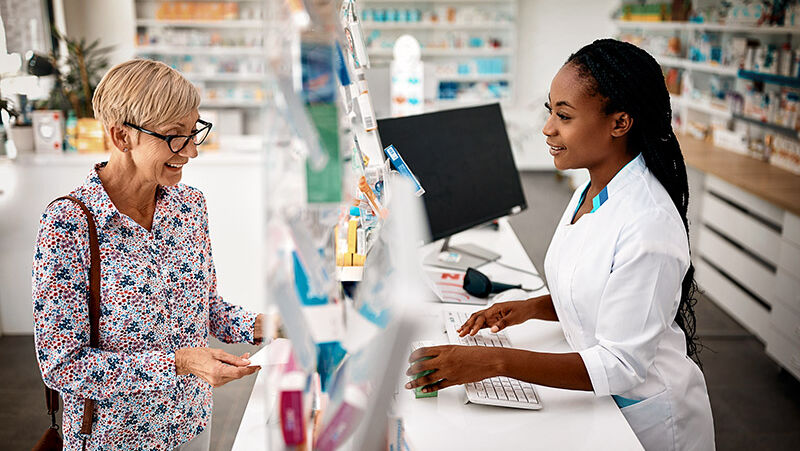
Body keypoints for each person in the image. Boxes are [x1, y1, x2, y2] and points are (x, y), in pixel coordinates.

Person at [405, 39, 715, 450]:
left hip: (647, 422)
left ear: (619, 123)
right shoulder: (595, 185)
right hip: (600, 405)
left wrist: (492, 362)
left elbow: (622, 366)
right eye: (550, 110)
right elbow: (596, 288)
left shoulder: (648, 225)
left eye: (564, 116)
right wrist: (530, 308)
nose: (548, 128)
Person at [32, 59, 266, 450]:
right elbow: (61, 363)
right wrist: (180, 363)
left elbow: (204, 307)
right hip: (117, 438)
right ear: (122, 136)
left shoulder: (189, 206)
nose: (190, 151)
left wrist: (267, 324)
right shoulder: (67, 223)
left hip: (190, 422)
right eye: (175, 135)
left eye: (194, 133)